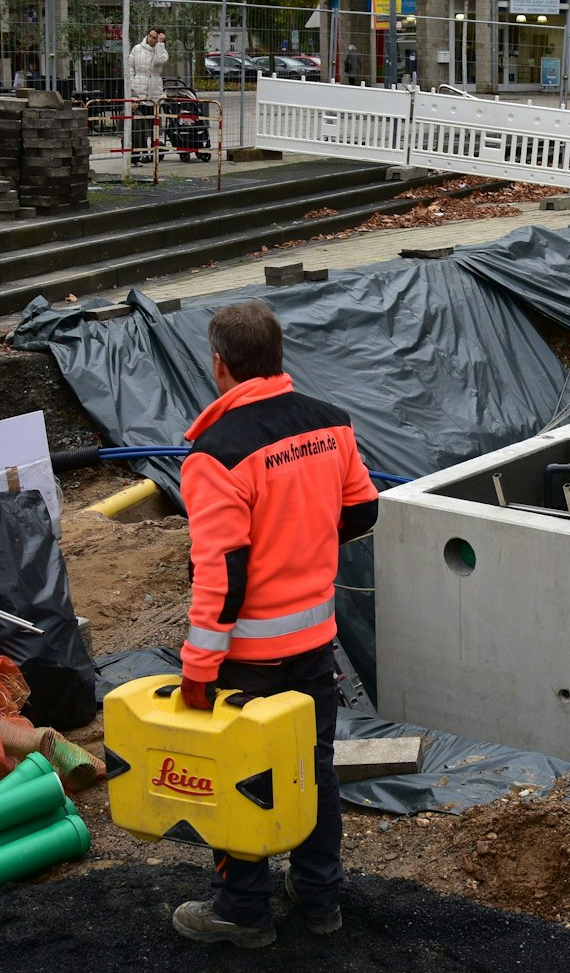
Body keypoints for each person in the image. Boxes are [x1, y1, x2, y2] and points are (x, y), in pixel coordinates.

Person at [171, 300, 378, 950]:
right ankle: (319, 900)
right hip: (315, 645)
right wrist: (308, 538)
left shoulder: (216, 454)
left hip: (245, 661)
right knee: (314, 769)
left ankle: (243, 910)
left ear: (220, 365)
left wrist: (198, 672)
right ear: (277, 356)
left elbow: (221, 578)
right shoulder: (330, 425)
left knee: (239, 776)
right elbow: (364, 510)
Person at [127, 27, 169, 159]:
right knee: (140, 123)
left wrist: (160, 45)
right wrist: (132, 85)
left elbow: (159, 61)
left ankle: (154, 150)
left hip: (154, 89)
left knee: (154, 123)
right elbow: (130, 67)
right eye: (150, 36)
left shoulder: (161, 51)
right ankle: (142, 151)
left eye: (155, 37)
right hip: (139, 89)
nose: (151, 39)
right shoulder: (137, 49)